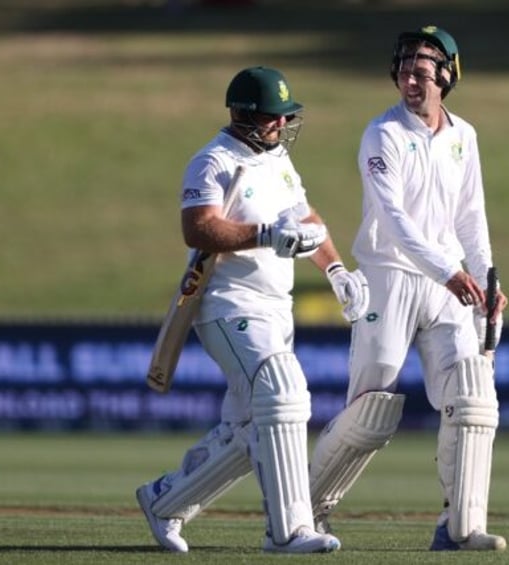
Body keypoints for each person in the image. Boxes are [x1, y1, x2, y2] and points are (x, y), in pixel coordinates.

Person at [135, 66, 369, 554]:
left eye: (285, 117)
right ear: (242, 115)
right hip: (226, 304)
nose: (281, 126)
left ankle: (163, 501)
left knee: (251, 426)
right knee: (283, 392)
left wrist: (336, 271)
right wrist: (262, 234)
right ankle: (288, 532)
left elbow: (306, 219)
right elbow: (198, 229)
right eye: (272, 118)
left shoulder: (278, 159)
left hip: (276, 306)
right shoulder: (212, 161)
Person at [308, 26, 509, 552]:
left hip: (451, 284)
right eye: (404, 70)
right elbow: (394, 219)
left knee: (471, 396)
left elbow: (472, 218)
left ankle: (460, 527)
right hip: (388, 275)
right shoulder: (382, 134)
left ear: (447, 77)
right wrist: (446, 268)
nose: (410, 80)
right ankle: (303, 512)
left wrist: (489, 279)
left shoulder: (464, 136)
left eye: (422, 72)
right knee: (370, 408)